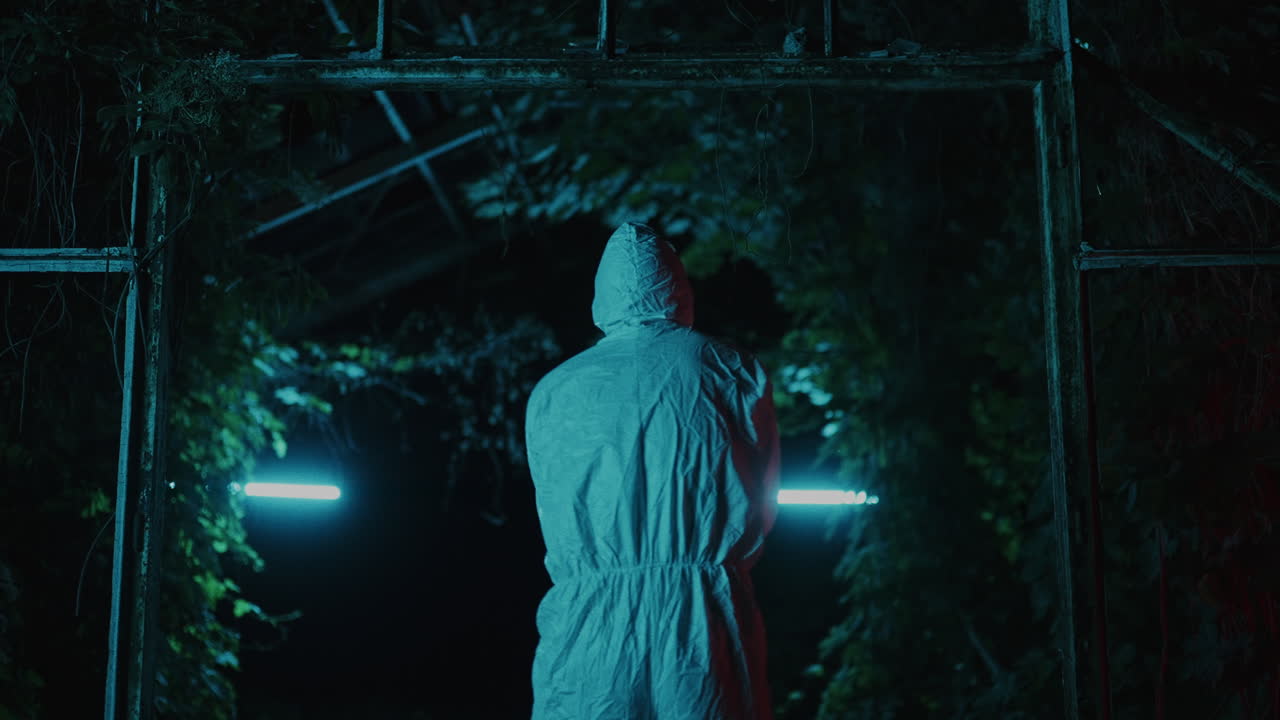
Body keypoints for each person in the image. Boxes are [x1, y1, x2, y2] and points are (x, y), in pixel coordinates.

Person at [524, 222, 781, 720]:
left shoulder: (555, 390)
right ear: (678, 287)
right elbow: (761, 484)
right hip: (702, 617)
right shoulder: (731, 369)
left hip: (589, 622)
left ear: (604, 293)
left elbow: (551, 495)